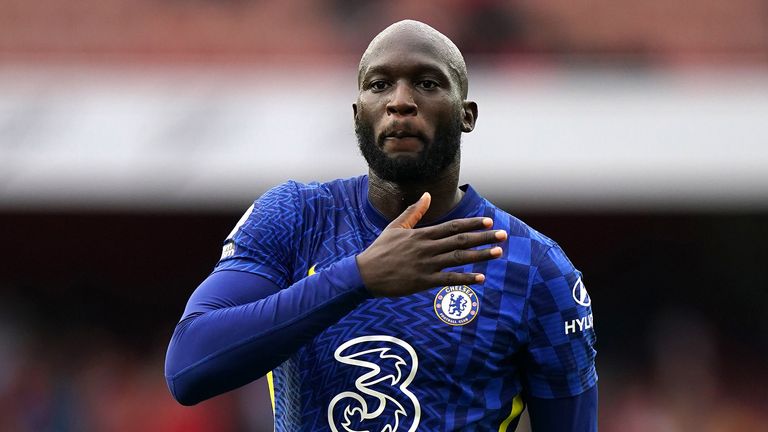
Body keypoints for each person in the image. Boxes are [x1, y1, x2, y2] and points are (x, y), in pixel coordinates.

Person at [165, 19, 597, 431]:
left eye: (427, 83)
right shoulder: (296, 218)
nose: (400, 101)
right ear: (358, 114)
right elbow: (188, 367)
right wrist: (359, 277)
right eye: (379, 85)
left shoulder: (534, 266)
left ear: (467, 115)